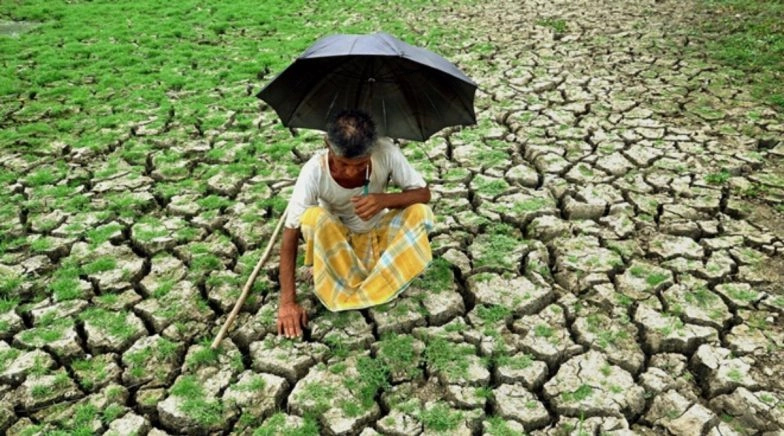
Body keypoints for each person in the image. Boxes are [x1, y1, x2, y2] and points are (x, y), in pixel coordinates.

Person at [276, 109, 434, 338]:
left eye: (360, 165)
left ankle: (372, 278)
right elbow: (290, 235)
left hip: (378, 237)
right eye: (342, 164)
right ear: (328, 146)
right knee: (313, 217)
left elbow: (423, 194)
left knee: (420, 212)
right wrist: (288, 302)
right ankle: (368, 280)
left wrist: (384, 200)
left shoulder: (386, 151)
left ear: (372, 149)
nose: (350, 172)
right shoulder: (314, 171)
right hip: (340, 246)